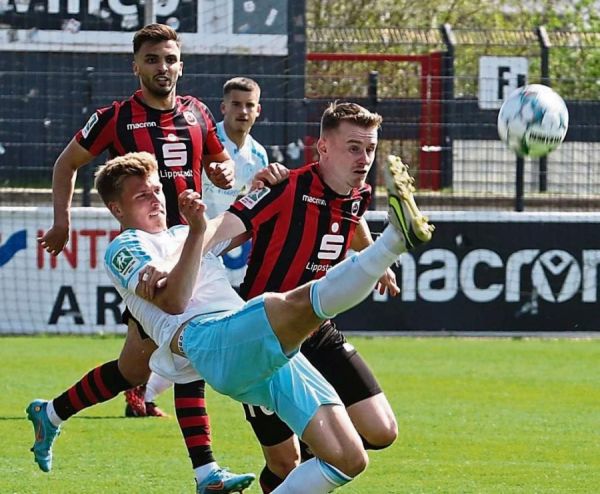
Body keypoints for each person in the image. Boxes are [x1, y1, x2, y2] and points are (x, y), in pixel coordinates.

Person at [75, 149, 429, 492]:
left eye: (156, 190)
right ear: (116, 208)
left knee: (348, 458)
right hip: (207, 341)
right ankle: (394, 242)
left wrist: (260, 188)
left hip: (249, 347)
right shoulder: (125, 247)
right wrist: (198, 231)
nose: (155, 199)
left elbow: (247, 222)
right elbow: (173, 301)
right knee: (292, 305)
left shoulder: (182, 234)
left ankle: (391, 243)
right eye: (141, 195)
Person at [33, 23, 254, 493]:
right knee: (187, 347)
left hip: (190, 248)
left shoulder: (195, 113)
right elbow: (66, 163)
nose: (163, 67)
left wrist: (223, 168)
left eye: (170, 58)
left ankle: (50, 413)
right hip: (147, 256)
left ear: (181, 63)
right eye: (152, 59)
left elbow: (219, 163)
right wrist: (62, 221)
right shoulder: (114, 117)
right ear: (135, 66)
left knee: (134, 369)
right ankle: (206, 472)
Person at [207, 101, 407, 492]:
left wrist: (374, 260)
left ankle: (315, 448)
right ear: (323, 148)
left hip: (316, 331)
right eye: (353, 147)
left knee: (382, 431)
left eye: (370, 148)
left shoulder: (358, 192)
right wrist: (174, 261)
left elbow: (352, 219)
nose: (364, 158)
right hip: (262, 337)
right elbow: (222, 229)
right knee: (285, 463)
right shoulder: (283, 188)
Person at [135, 75, 269, 411]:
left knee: (194, 328)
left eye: (248, 105)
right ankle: (141, 391)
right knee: (187, 325)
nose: (242, 111)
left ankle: (142, 394)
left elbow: (254, 207)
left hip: (217, 248)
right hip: (184, 240)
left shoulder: (258, 155)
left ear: (258, 111)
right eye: (235, 104)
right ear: (223, 108)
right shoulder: (204, 138)